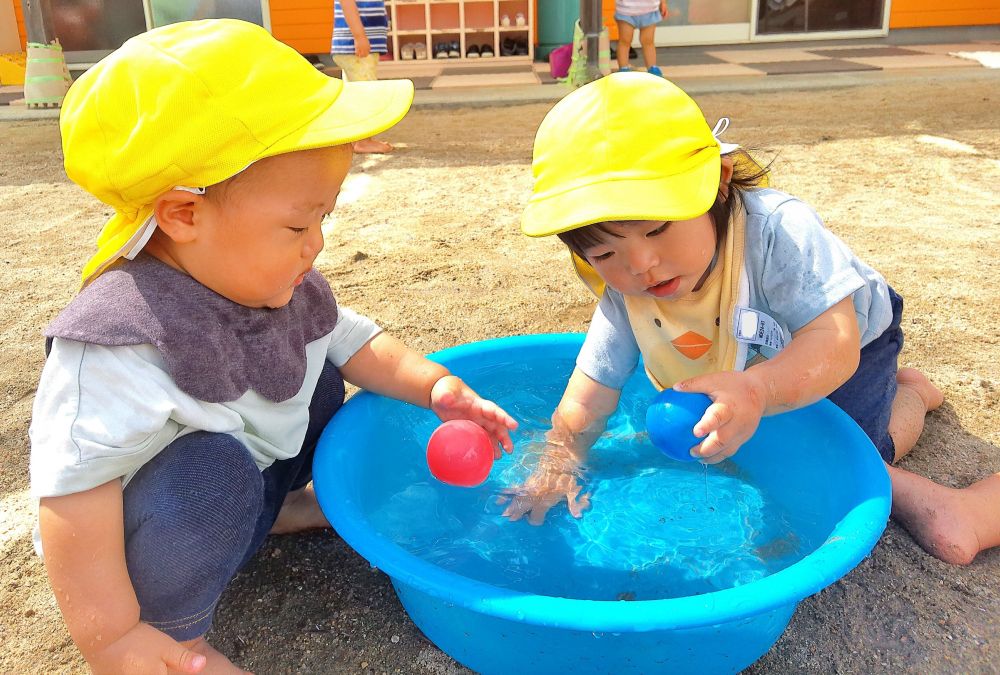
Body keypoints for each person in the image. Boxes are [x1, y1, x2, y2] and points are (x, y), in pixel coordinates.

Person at [30, 19, 517, 674]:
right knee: (211, 472)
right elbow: (71, 501)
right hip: (139, 545)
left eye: (324, 217)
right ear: (183, 214)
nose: (315, 243)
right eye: (297, 223)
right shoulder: (120, 342)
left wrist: (433, 385)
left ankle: (275, 509)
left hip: (237, 489)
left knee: (319, 371)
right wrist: (112, 636)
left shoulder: (263, 278)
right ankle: (172, 631)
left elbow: (353, 338)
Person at [505, 73, 1000, 568]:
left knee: (850, 453)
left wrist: (759, 390)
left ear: (718, 183)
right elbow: (589, 391)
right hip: (754, 352)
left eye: (657, 229)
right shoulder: (627, 289)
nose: (640, 265)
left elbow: (835, 342)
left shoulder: (777, 232)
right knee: (765, 438)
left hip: (843, 339)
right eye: (606, 251)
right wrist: (558, 460)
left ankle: (911, 393)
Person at [333, 0, 394, 153]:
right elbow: (347, 4)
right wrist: (359, 36)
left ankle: (356, 139)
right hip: (355, 47)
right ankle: (363, 141)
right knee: (366, 93)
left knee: (354, 95)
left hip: (357, 47)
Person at [614, 0, 667, 76]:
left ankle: (652, 68)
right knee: (625, 41)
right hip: (626, 11)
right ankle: (623, 68)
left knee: (648, 41)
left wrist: (663, 3)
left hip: (650, 10)